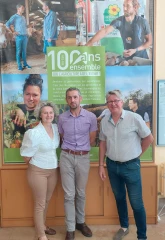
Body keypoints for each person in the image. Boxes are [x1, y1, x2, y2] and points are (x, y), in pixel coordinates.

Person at [99, 90, 153, 240]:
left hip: (131, 167)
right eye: (110, 101)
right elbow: (102, 142)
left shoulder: (134, 118)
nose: (113, 104)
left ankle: (142, 236)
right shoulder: (104, 120)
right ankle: (124, 227)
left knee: (136, 203)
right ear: (107, 104)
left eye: (116, 100)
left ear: (122, 102)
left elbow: (149, 138)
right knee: (120, 198)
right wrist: (101, 165)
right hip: (112, 166)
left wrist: (137, 155)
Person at [58, 87, 97, 240]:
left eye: (75, 97)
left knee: (80, 193)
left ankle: (80, 222)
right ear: (66, 100)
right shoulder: (61, 118)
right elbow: (62, 137)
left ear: (80, 98)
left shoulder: (91, 117)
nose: (72, 100)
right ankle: (70, 228)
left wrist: (81, 150)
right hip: (66, 157)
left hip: (83, 158)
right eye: (69, 97)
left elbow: (92, 139)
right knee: (69, 195)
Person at [20, 101, 60, 240]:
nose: (48, 115)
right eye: (45, 113)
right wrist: (36, 166)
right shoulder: (33, 132)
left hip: (53, 171)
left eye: (50, 112)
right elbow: (26, 155)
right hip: (38, 171)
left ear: (53, 114)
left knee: (47, 201)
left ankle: (42, 225)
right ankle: (41, 235)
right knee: (40, 203)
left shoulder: (55, 128)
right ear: (40, 115)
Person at [86, 0, 152, 60]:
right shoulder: (119, 21)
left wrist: (136, 50)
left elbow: (149, 41)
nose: (125, 9)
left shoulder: (143, 22)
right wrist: (90, 42)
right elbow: (105, 31)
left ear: (135, 7)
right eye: (124, 6)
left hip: (142, 60)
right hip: (128, 60)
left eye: (128, 6)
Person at [6, 3, 31, 71]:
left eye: (24, 8)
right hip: (19, 37)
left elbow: (25, 26)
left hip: (25, 36)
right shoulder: (14, 17)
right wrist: (13, 32)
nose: (23, 9)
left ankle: (25, 64)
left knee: (24, 51)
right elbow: (7, 24)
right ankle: (19, 65)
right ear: (18, 9)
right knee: (18, 51)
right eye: (22, 8)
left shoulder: (23, 17)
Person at [42, 1, 58, 68]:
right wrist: (44, 36)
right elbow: (45, 27)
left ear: (47, 7)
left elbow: (53, 26)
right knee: (45, 50)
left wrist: (50, 36)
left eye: (43, 6)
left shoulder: (52, 14)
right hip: (46, 36)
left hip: (50, 37)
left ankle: (53, 65)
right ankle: (46, 64)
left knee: (52, 51)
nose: (42, 7)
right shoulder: (46, 15)